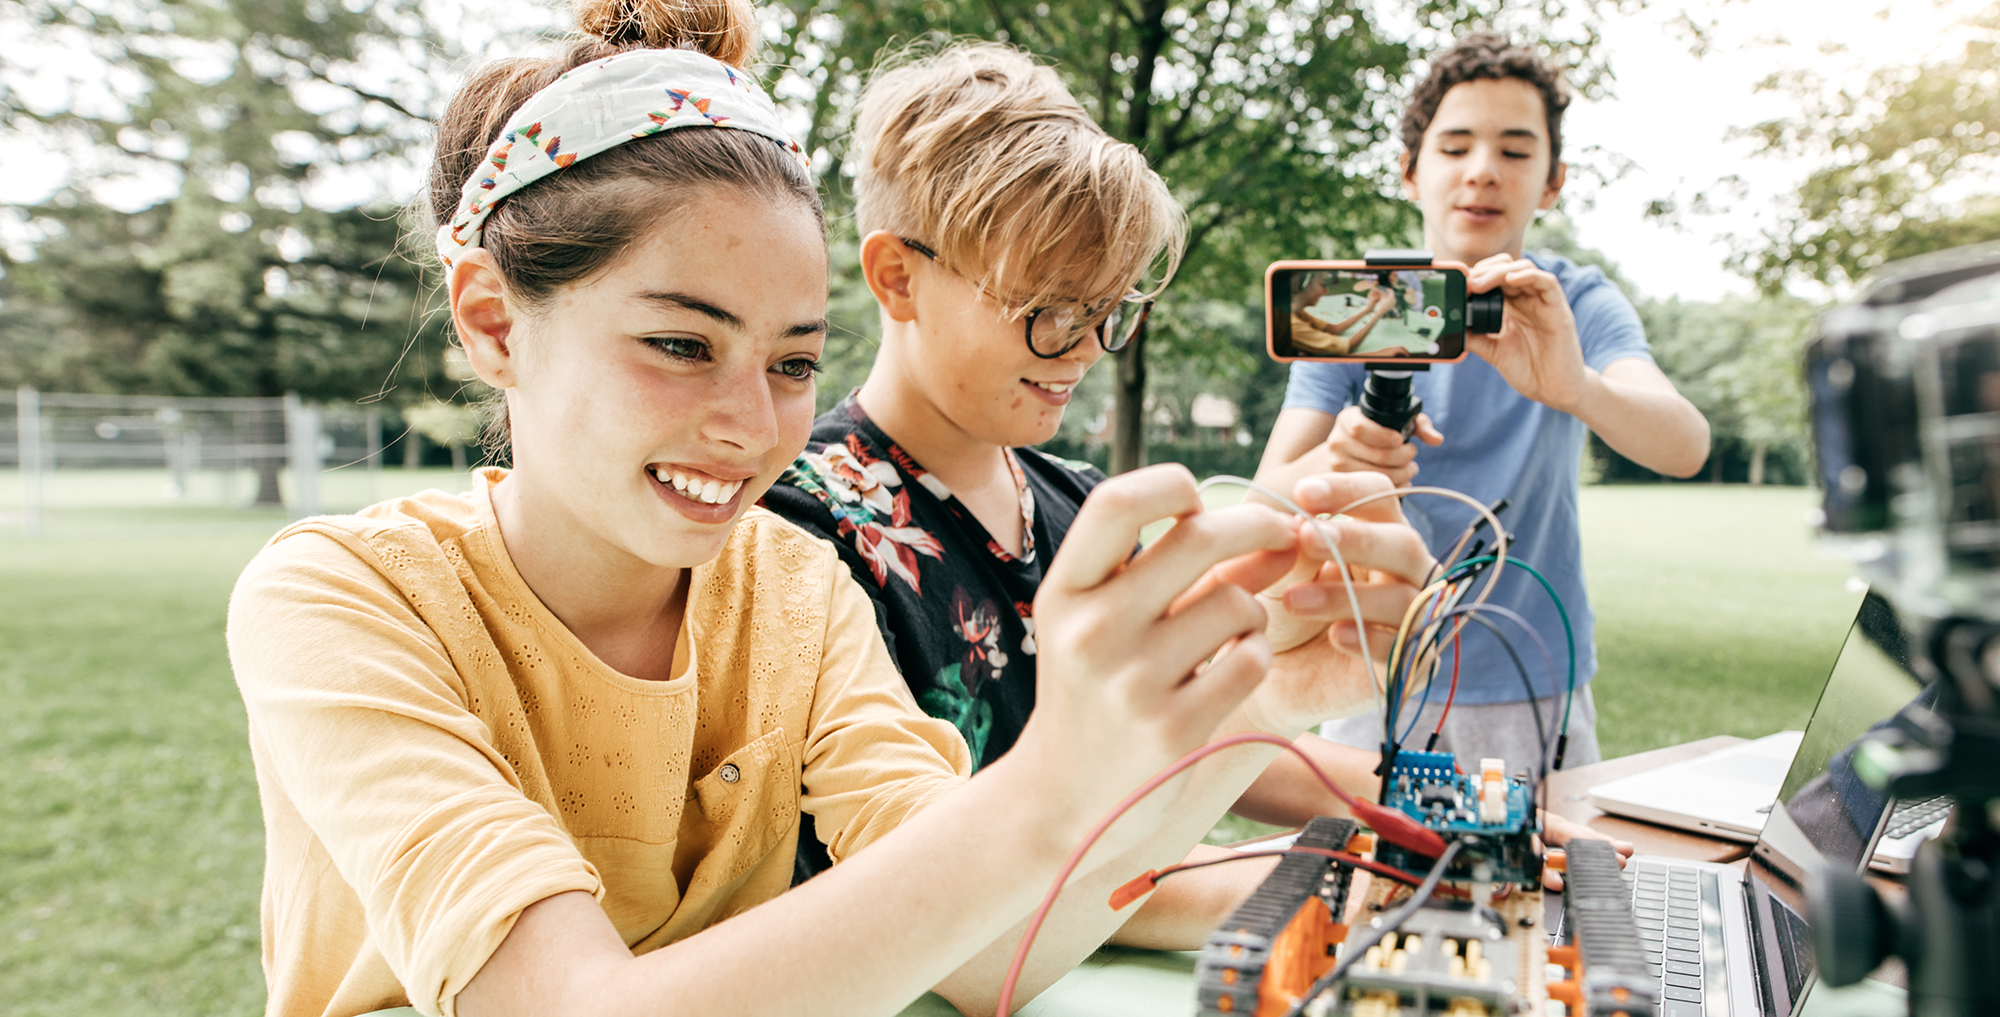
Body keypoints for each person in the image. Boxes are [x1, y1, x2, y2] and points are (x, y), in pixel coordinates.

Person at [224, 7, 1421, 1016]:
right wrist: (1058, 778)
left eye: (794, 363)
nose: (754, 425)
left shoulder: (792, 588)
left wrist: (1230, 701)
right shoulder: (340, 597)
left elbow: (1001, 949)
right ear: (491, 321)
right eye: (683, 344)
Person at [758, 41, 1625, 935]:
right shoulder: (801, 531)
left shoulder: (1077, 502)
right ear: (899, 276)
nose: (1090, 349)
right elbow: (965, 887)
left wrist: (1459, 819)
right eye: (1050, 310)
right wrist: (1383, 879)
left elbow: (1225, 743)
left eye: (1109, 310)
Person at [1255, 33, 1712, 772]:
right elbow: (1264, 497)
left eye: (1515, 150)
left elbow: (1685, 444)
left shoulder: (1577, 302)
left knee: (1544, 882)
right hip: (1374, 664)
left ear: (1553, 181)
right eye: (1456, 145)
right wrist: (1339, 457)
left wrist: (1577, 387)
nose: (1483, 172)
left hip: (1532, 676)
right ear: (1410, 172)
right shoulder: (1352, 302)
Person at [1290, 270, 1398, 356]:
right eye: (1322, 284)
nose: (1326, 291)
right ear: (1301, 286)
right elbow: (1348, 347)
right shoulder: (1293, 325)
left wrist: (1369, 308)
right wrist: (1379, 313)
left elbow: (1334, 329)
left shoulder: (1296, 312)